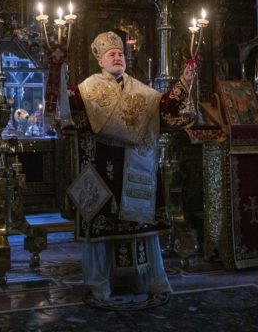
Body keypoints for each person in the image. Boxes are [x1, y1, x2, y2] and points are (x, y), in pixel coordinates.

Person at [67, 31, 193, 301]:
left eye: (120, 53)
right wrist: (57, 69)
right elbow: (67, 105)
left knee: (140, 225)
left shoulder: (140, 90)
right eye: (111, 54)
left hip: (136, 167)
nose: (117, 57)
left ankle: (149, 279)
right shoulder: (87, 89)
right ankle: (100, 283)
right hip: (101, 168)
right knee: (101, 225)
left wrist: (185, 79)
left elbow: (165, 108)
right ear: (100, 61)